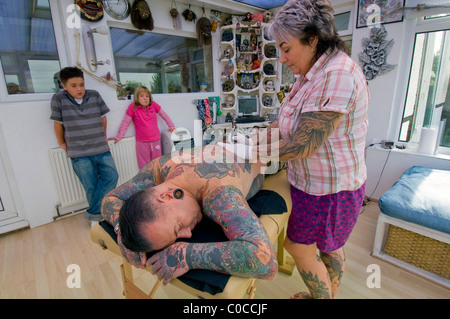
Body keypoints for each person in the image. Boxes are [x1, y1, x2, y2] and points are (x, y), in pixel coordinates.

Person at [261, 0, 369, 299]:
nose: (282, 58)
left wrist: (247, 152)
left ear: (312, 39)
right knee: (328, 246)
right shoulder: (309, 75)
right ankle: (329, 295)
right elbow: (288, 123)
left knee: (302, 246)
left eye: (285, 48)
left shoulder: (337, 74)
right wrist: (258, 136)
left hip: (330, 189)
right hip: (312, 184)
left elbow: (303, 144)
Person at [101, 146, 278, 285]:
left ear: (167, 196)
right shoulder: (162, 167)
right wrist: (121, 229)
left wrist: (189, 255)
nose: (188, 234)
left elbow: (266, 262)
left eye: (178, 227)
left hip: (270, 155)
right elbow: (111, 198)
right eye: (179, 235)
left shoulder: (220, 194)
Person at [50, 66, 119, 224]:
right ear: (64, 85)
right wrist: (62, 143)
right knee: (91, 185)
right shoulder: (58, 99)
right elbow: (58, 124)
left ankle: (94, 214)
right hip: (78, 152)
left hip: (101, 148)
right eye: (73, 86)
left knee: (112, 176)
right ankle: (99, 217)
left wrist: (102, 138)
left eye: (81, 84)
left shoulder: (94, 96)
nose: (79, 88)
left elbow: (103, 118)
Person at [109, 86, 175, 169]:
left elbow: (164, 115)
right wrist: (119, 136)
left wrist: (171, 126)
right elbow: (125, 122)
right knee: (144, 165)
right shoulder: (132, 107)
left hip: (156, 140)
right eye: (142, 96)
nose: (145, 98)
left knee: (157, 162)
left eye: (147, 96)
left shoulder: (153, 105)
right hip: (142, 142)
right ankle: (146, 181)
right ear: (137, 97)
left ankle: (157, 179)